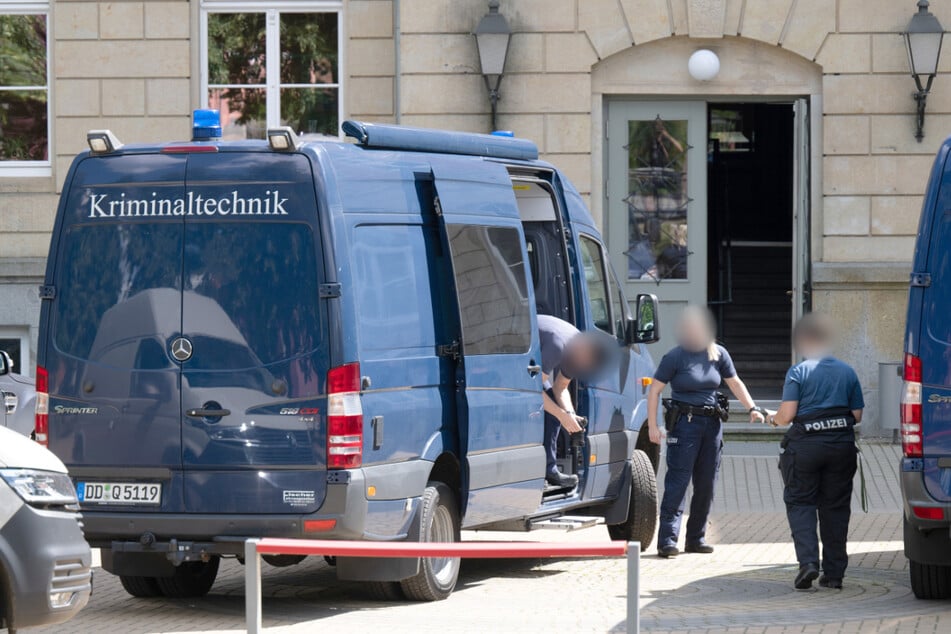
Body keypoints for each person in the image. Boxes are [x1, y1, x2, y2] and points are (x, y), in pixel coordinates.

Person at [647, 306, 765, 558]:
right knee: (678, 482)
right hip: (684, 425)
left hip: (711, 426)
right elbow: (654, 391)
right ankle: (667, 540)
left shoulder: (718, 353)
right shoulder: (674, 357)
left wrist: (752, 408)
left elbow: (735, 382)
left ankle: (696, 538)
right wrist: (653, 425)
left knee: (706, 484)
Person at [767, 313, 864, 590]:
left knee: (801, 503)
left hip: (805, 449)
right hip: (840, 447)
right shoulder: (847, 371)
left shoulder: (799, 371)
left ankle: (808, 563)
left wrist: (773, 419)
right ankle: (834, 575)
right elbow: (856, 415)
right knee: (835, 509)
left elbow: (787, 415)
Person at [538, 314, 615, 488]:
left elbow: (561, 388)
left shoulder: (579, 353)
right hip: (509, 351)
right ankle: (538, 471)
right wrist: (561, 415)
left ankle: (549, 470)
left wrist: (570, 415)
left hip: (532, 369)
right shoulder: (558, 346)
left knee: (555, 409)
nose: (583, 366)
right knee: (551, 409)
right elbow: (532, 389)